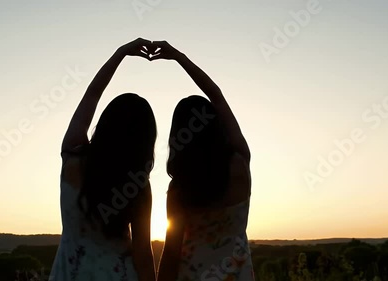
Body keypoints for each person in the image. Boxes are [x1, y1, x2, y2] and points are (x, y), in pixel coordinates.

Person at [49, 38, 157, 281]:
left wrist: (120, 54)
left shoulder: (72, 158)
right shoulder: (137, 186)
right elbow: (143, 255)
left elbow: (92, 95)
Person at [153, 41, 255, 281]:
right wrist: (179, 57)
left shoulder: (179, 189)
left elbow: (171, 254)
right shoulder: (240, 164)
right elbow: (216, 97)